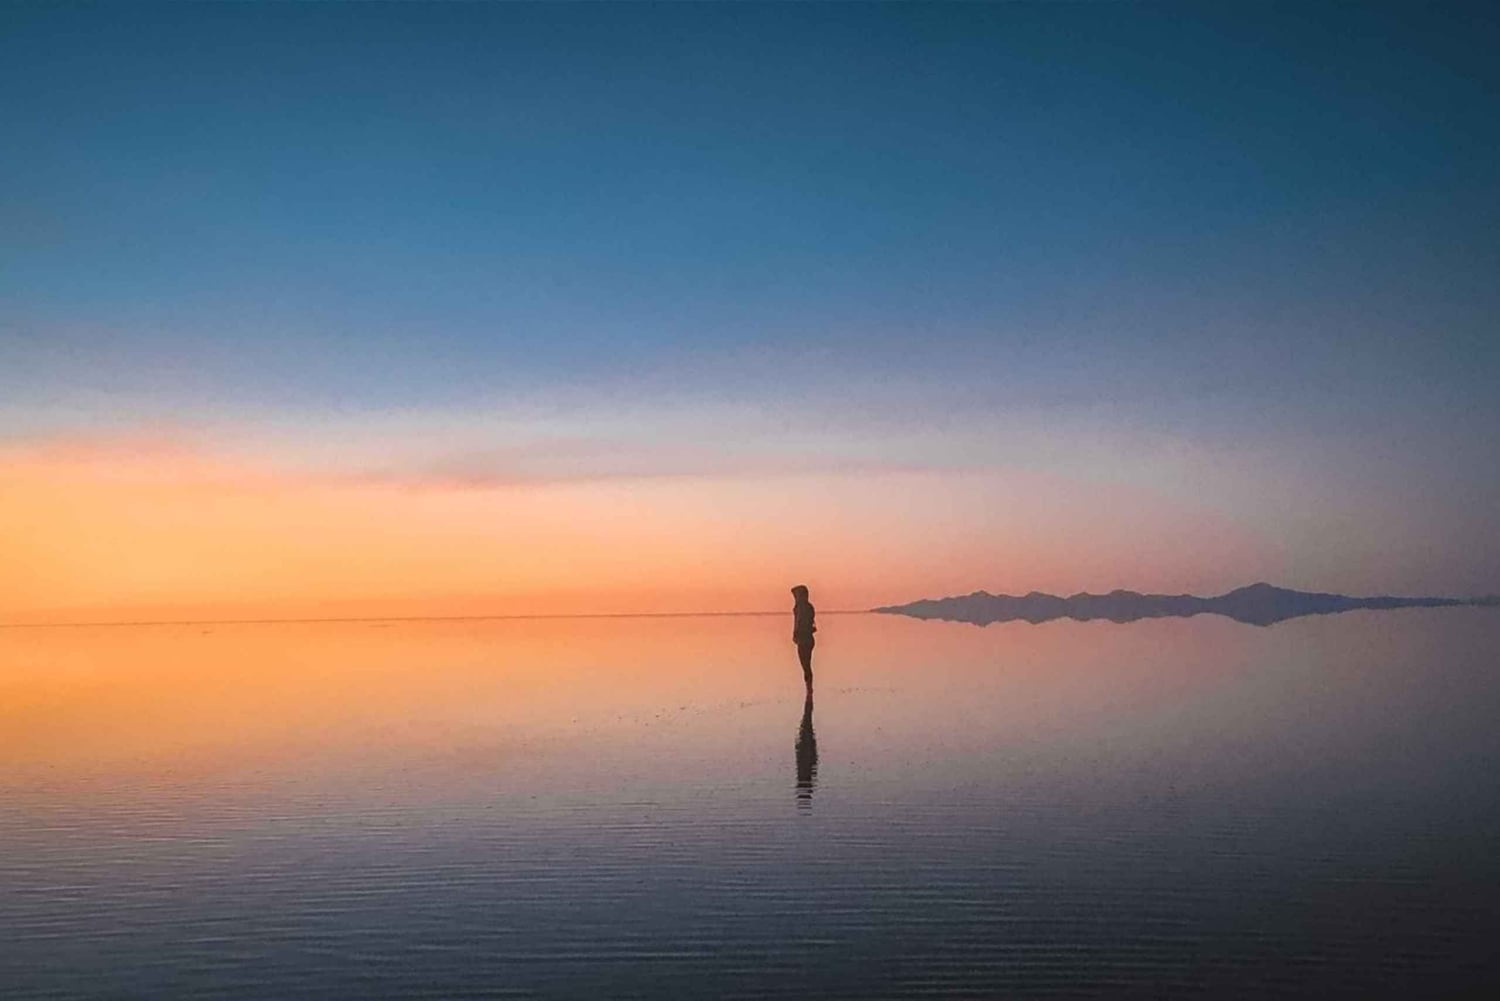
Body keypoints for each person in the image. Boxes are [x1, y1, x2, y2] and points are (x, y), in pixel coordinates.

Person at [791, 584, 816, 688]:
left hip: (804, 639)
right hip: (808, 639)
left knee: (805, 665)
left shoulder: (801, 607)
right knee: (806, 665)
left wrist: (796, 634)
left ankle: (809, 688)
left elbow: (799, 623)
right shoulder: (808, 607)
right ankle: (809, 688)